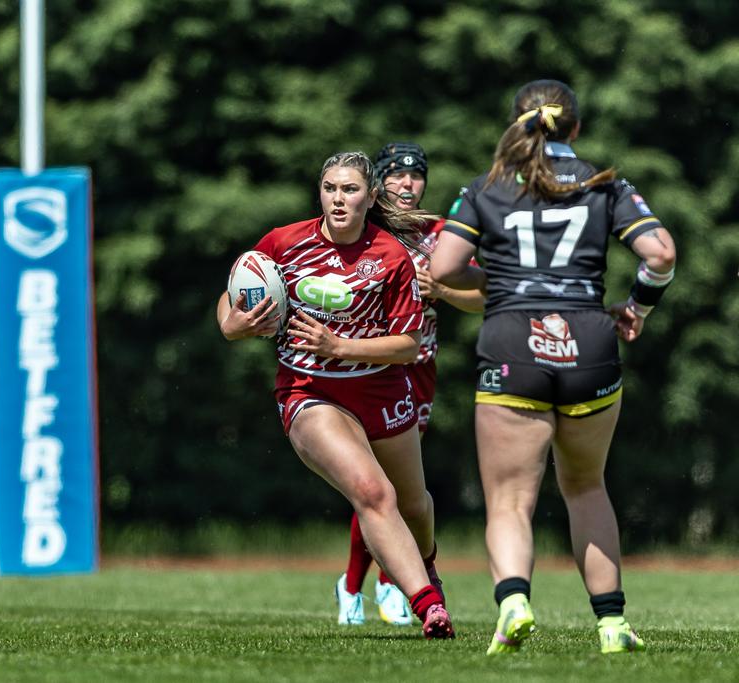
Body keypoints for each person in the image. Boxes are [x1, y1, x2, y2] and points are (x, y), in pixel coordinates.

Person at [430, 79, 676, 655]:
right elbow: (660, 253)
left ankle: (513, 603)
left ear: (519, 126)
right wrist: (638, 307)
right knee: (587, 486)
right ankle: (612, 626)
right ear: (577, 128)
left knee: (510, 498)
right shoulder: (602, 182)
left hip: (514, 342)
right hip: (590, 343)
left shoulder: (486, 188)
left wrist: (505, 281)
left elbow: (442, 267)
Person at [217, 151, 455, 639]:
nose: (338, 198)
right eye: (330, 188)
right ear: (319, 192)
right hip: (309, 391)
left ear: (370, 196)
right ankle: (429, 607)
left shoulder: (390, 255)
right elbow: (236, 289)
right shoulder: (285, 242)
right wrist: (231, 323)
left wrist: (339, 345)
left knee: (414, 506)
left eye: (349, 189)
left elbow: (409, 346)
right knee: (372, 492)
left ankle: (426, 566)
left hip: (383, 389)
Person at [335, 143, 485, 627]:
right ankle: (362, 586)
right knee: (377, 485)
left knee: (396, 488)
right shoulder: (367, 231)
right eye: (396, 177)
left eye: (416, 176)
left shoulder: (440, 236)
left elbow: (485, 294)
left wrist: (441, 289)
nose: (407, 184)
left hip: (417, 369)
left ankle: (380, 585)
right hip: (367, 369)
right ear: (378, 186)